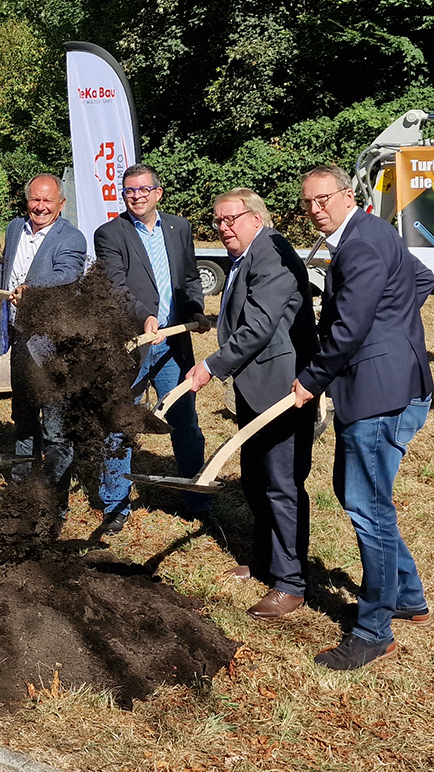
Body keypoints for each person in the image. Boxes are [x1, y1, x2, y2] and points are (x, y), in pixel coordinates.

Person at [291, 165, 434, 670]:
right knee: (362, 495)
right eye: (308, 202)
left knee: (367, 507)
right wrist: (392, 324)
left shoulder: (360, 245)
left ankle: (375, 631)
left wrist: (311, 379)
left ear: (347, 195)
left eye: (324, 199)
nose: (316, 209)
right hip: (390, 383)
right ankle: (408, 597)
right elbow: (422, 278)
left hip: (380, 394)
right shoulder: (374, 231)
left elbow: (349, 329)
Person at [185, 189, 318, 619]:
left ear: (256, 218)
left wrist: (210, 365)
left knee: (282, 484)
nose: (223, 227)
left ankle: (291, 583)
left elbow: (259, 326)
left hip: (282, 388)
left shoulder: (271, 253)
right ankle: (264, 562)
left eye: (231, 219)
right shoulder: (248, 253)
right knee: (257, 478)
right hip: (256, 385)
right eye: (218, 221)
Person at [94, 163, 213, 536]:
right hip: (130, 345)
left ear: (158, 192)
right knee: (120, 423)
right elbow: (115, 287)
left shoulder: (179, 228)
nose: (137, 196)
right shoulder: (110, 234)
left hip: (173, 344)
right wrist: (144, 317)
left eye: (144, 189)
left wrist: (195, 311)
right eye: (129, 190)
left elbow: (190, 278)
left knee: (184, 422)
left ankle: (197, 499)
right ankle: (116, 505)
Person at [0, 174, 87, 499]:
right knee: (23, 418)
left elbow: (67, 273)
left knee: (55, 427)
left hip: (52, 346)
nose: (40, 207)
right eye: (34, 200)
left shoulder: (71, 238)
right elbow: (6, 265)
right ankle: (21, 487)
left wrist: (33, 289)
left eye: (47, 201)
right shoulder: (15, 228)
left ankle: (55, 498)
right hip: (21, 341)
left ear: (61, 204)